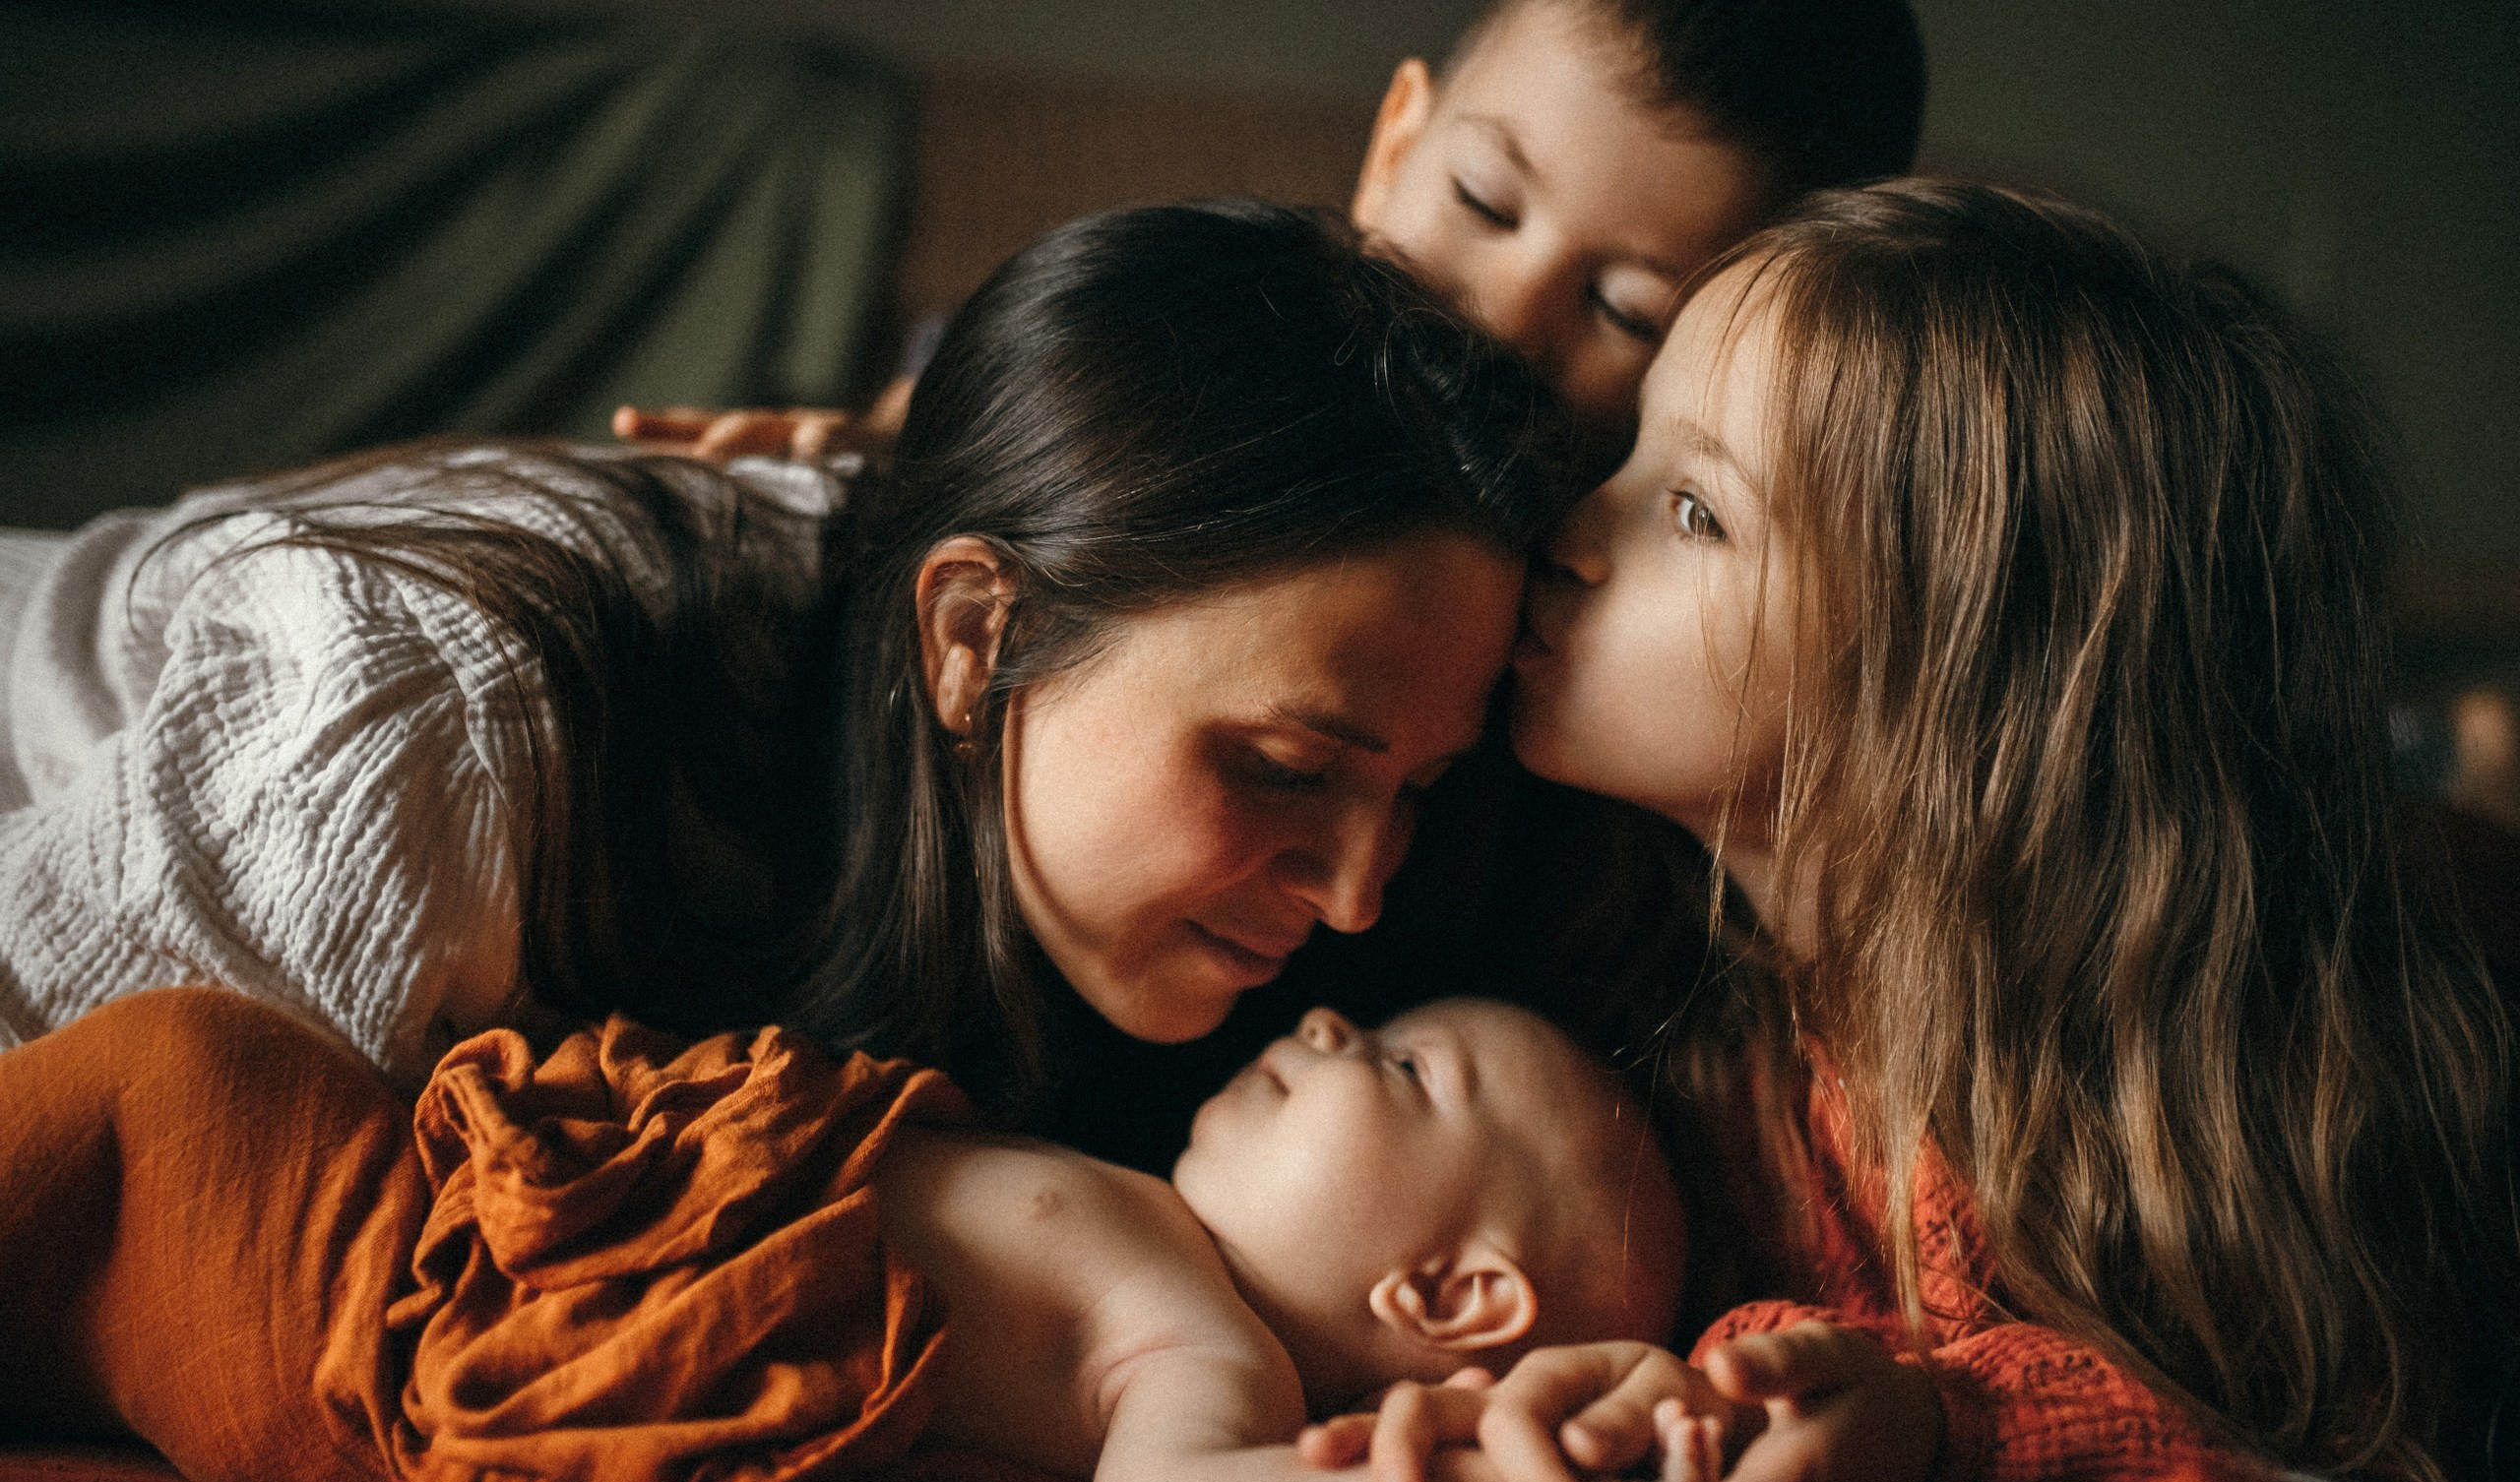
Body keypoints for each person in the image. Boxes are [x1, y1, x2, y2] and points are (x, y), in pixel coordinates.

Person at [1309, 180, 2520, 1482]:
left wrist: (1940, 1435)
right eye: (1632, 456)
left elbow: (2339, 1440)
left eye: (1695, 511)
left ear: (1955, 683)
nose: (1571, 527)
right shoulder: (1629, 942)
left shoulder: (2172, 1072)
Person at [0, 202, 1570, 1106]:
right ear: (976, 636)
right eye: (1290, 769)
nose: (1360, 894)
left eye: (1418, 789)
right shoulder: (447, 727)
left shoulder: (1047, 826)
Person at [0, 985, 1693, 1482]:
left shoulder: (1199, 1345)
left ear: (1452, 1303)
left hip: (356, 1294)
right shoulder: (1139, 1217)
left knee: (148, 1099)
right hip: (402, 1199)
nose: (1332, 1020)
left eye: (1401, 1070)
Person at [618, 0, 1926, 472]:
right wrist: (905, 428)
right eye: (1481, 202)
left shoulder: (1605, 547)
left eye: (1629, 310)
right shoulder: (1241, 313)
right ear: (1394, 143)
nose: (1508, 313)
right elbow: (1053, 388)